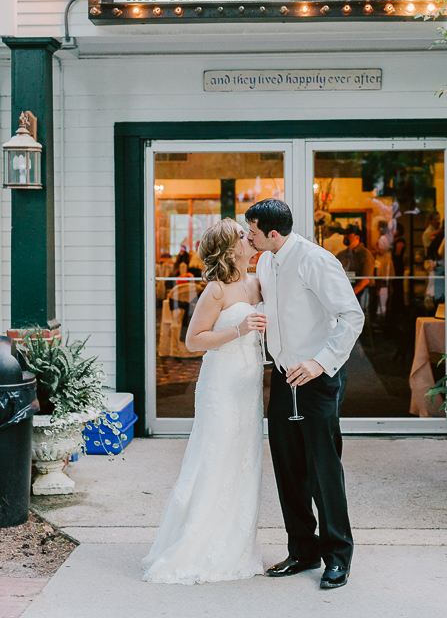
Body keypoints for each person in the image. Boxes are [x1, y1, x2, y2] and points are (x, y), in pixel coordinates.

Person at [246, 199, 364, 590]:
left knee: (323, 469)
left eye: (253, 231)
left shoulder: (317, 260)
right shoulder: (264, 262)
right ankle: (302, 550)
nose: (249, 237)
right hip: (282, 376)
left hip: (317, 377)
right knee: (288, 466)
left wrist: (319, 362)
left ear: (273, 233)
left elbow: (351, 316)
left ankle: (337, 557)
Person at [142, 218, 267, 585]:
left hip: (249, 386)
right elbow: (193, 342)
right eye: (244, 236)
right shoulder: (216, 290)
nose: (250, 238)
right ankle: (199, 545)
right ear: (231, 249)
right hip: (221, 385)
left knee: (244, 461)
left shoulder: (257, 283)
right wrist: (238, 330)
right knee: (214, 459)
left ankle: (237, 544)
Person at [336, 224, 375, 304]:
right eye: (345, 233)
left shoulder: (365, 254)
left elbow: (366, 279)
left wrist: (351, 295)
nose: (345, 236)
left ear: (357, 237)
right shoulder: (341, 254)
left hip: (361, 296)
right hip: (345, 295)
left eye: (349, 234)